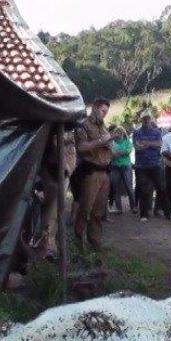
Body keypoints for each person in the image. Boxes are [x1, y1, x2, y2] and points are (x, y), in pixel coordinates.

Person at [74, 98, 114, 251]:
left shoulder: (104, 126)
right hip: (91, 172)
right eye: (103, 111)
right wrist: (100, 141)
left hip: (105, 172)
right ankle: (78, 244)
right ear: (95, 108)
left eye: (106, 112)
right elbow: (81, 147)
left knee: (98, 211)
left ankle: (95, 242)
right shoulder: (83, 125)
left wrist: (111, 141)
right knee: (85, 209)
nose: (104, 115)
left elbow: (108, 147)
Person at [37, 130, 77, 258]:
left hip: (64, 172)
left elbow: (71, 148)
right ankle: (46, 245)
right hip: (54, 171)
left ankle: (50, 243)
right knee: (52, 209)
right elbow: (55, 143)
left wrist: (69, 167)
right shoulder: (56, 126)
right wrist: (66, 165)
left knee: (58, 208)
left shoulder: (71, 126)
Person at [133, 109, 171, 222]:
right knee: (143, 190)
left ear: (151, 119)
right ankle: (144, 215)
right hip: (141, 166)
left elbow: (159, 145)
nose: (146, 120)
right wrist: (151, 145)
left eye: (147, 118)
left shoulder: (157, 132)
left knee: (162, 188)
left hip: (155, 164)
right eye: (144, 119)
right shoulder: (137, 132)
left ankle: (167, 213)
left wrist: (146, 143)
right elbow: (137, 147)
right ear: (141, 120)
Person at [110, 126, 137, 214]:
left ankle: (133, 207)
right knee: (115, 188)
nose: (119, 134)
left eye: (120, 132)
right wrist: (120, 152)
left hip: (126, 166)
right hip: (115, 167)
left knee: (129, 187)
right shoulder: (112, 142)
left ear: (123, 133)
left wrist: (116, 152)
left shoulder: (127, 141)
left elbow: (128, 151)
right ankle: (118, 209)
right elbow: (111, 153)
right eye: (117, 132)